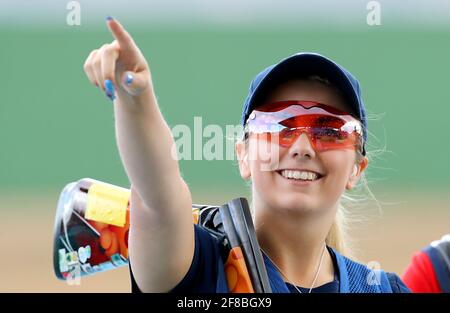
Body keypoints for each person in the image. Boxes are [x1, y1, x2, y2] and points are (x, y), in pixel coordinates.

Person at [82, 17, 410, 293]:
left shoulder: (383, 288)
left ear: (357, 169)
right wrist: (136, 100)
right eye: (279, 125)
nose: (302, 147)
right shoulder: (202, 268)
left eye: (329, 130)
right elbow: (158, 196)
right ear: (243, 156)